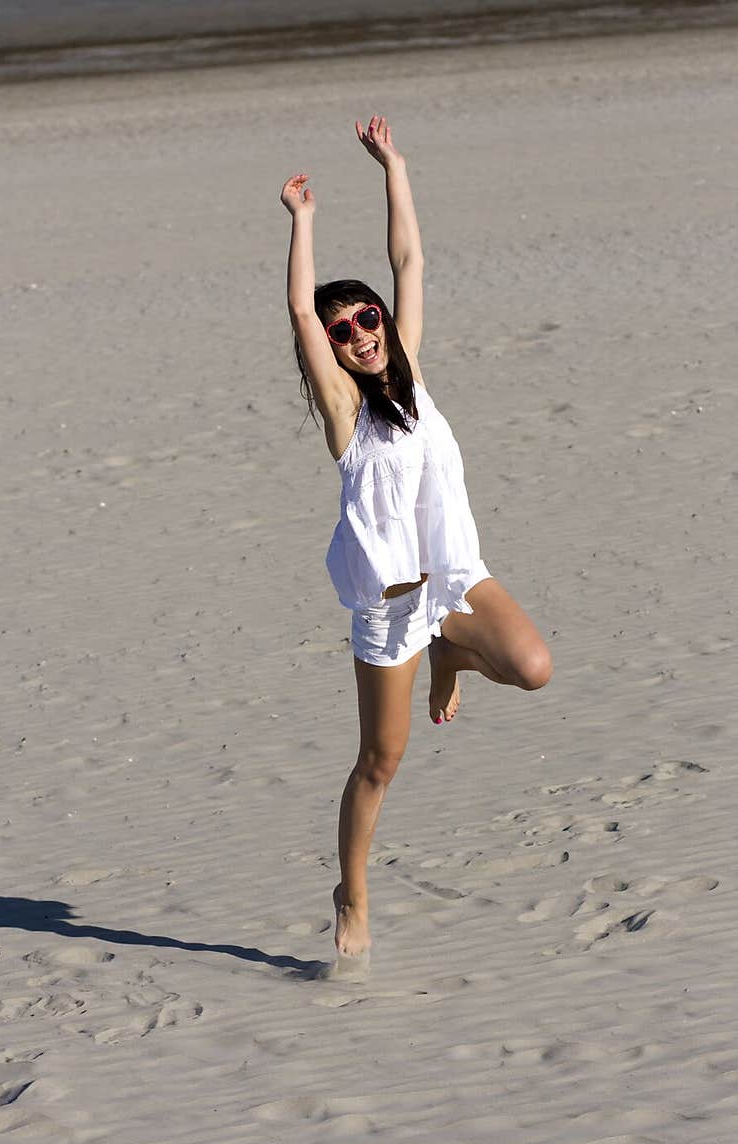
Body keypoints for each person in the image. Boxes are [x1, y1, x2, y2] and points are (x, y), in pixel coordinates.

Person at [281, 114, 553, 977]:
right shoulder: (346, 417)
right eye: (343, 331)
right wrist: (304, 222)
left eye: (366, 318)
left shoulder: (414, 377)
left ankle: (455, 655)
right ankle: (351, 892)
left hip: (456, 577)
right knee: (379, 762)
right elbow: (298, 304)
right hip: (390, 609)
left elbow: (410, 263)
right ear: (330, 353)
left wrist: (393, 166)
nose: (360, 332)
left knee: (533, 666)